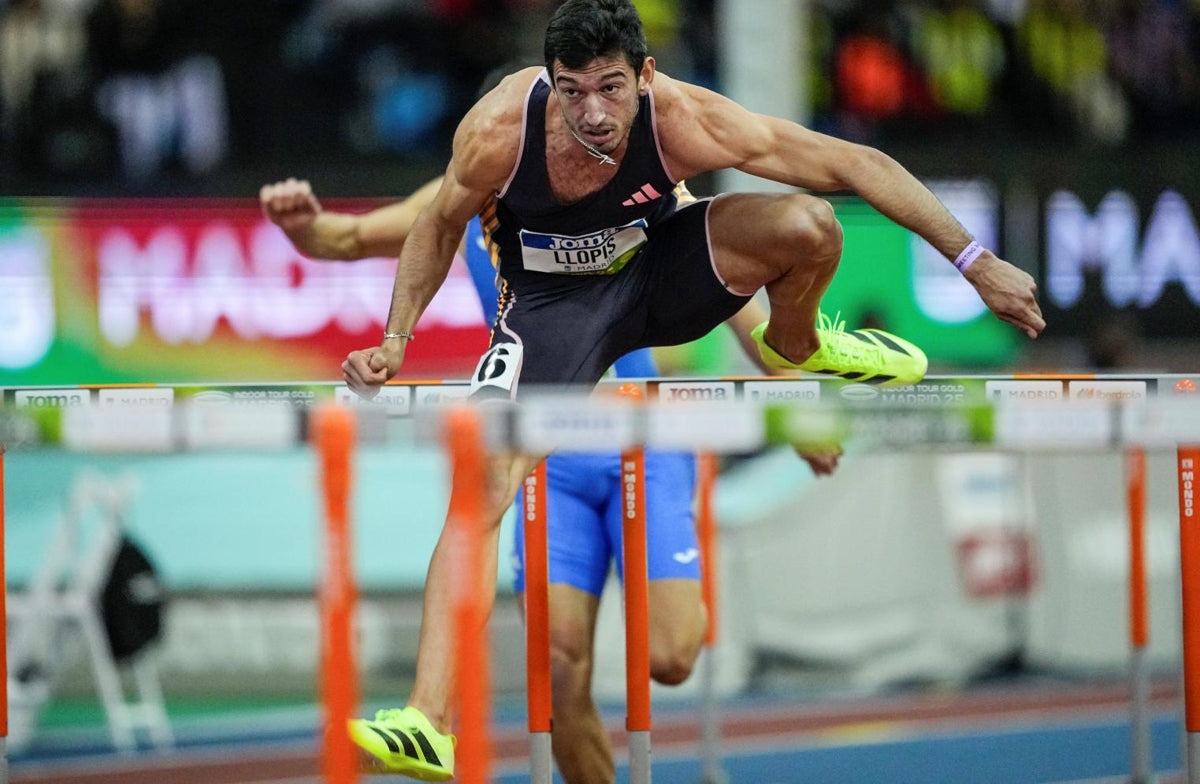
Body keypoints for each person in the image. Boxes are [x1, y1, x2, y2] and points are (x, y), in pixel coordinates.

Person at [339, 0, 1044, 780]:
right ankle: (429, 721)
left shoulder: (686, 118)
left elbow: (854, 162)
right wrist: (395, 340)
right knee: (484, 476)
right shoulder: (501, 129)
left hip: (661, 279)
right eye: (571, 92)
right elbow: (434, 226)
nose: (593, 115)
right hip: (552, 311)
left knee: (808, 223)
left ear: (645, 73)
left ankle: (799, 341)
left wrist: (975, 263)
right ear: (549, 80)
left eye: (610, 89)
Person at [260, 173, 839, 783]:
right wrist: (303, 225)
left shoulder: (634, 169)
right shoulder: (470, 188)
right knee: (560, 668)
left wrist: (791, 403)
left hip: (640, 445)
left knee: (670, 658)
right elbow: (349, 237)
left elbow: (736, 291)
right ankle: (431, 718)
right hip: (546, 457)